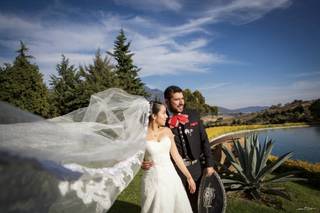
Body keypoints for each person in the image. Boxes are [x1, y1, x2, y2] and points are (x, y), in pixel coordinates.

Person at [142, 85, 215, 213]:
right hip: (174, 171)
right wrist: (142, 161)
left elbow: (204, 140)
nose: (181, 102)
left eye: (182, 98)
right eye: (176, 99)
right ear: (167, 101)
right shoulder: (163, 120)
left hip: (196, 167)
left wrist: (209, 164)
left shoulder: (193, 115)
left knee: (199, 205)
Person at [141, 101, 196, 213]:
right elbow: (132, 156)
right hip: (152, 180)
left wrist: (189, 177)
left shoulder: (167, 131)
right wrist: (140, 163)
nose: (167, 116)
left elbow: (176, 156)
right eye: (164, 113)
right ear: (154, 116)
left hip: (171, 178)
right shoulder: (141, 135)